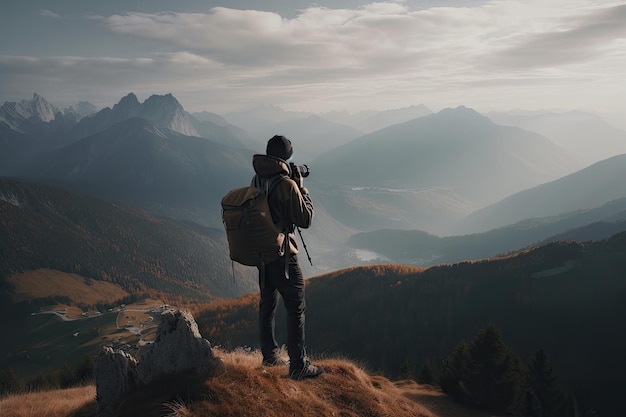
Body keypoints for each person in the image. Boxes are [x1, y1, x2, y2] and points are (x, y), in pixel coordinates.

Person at [251, 135, 323, 380]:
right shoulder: (286, 185)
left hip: (262, 253)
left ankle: (270, 355)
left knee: (267, 304)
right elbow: (306, 219)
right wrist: (301, 187)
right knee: (296, 306)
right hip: (282, 256)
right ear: (286, 159)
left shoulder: (257, 178)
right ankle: (298, 365)